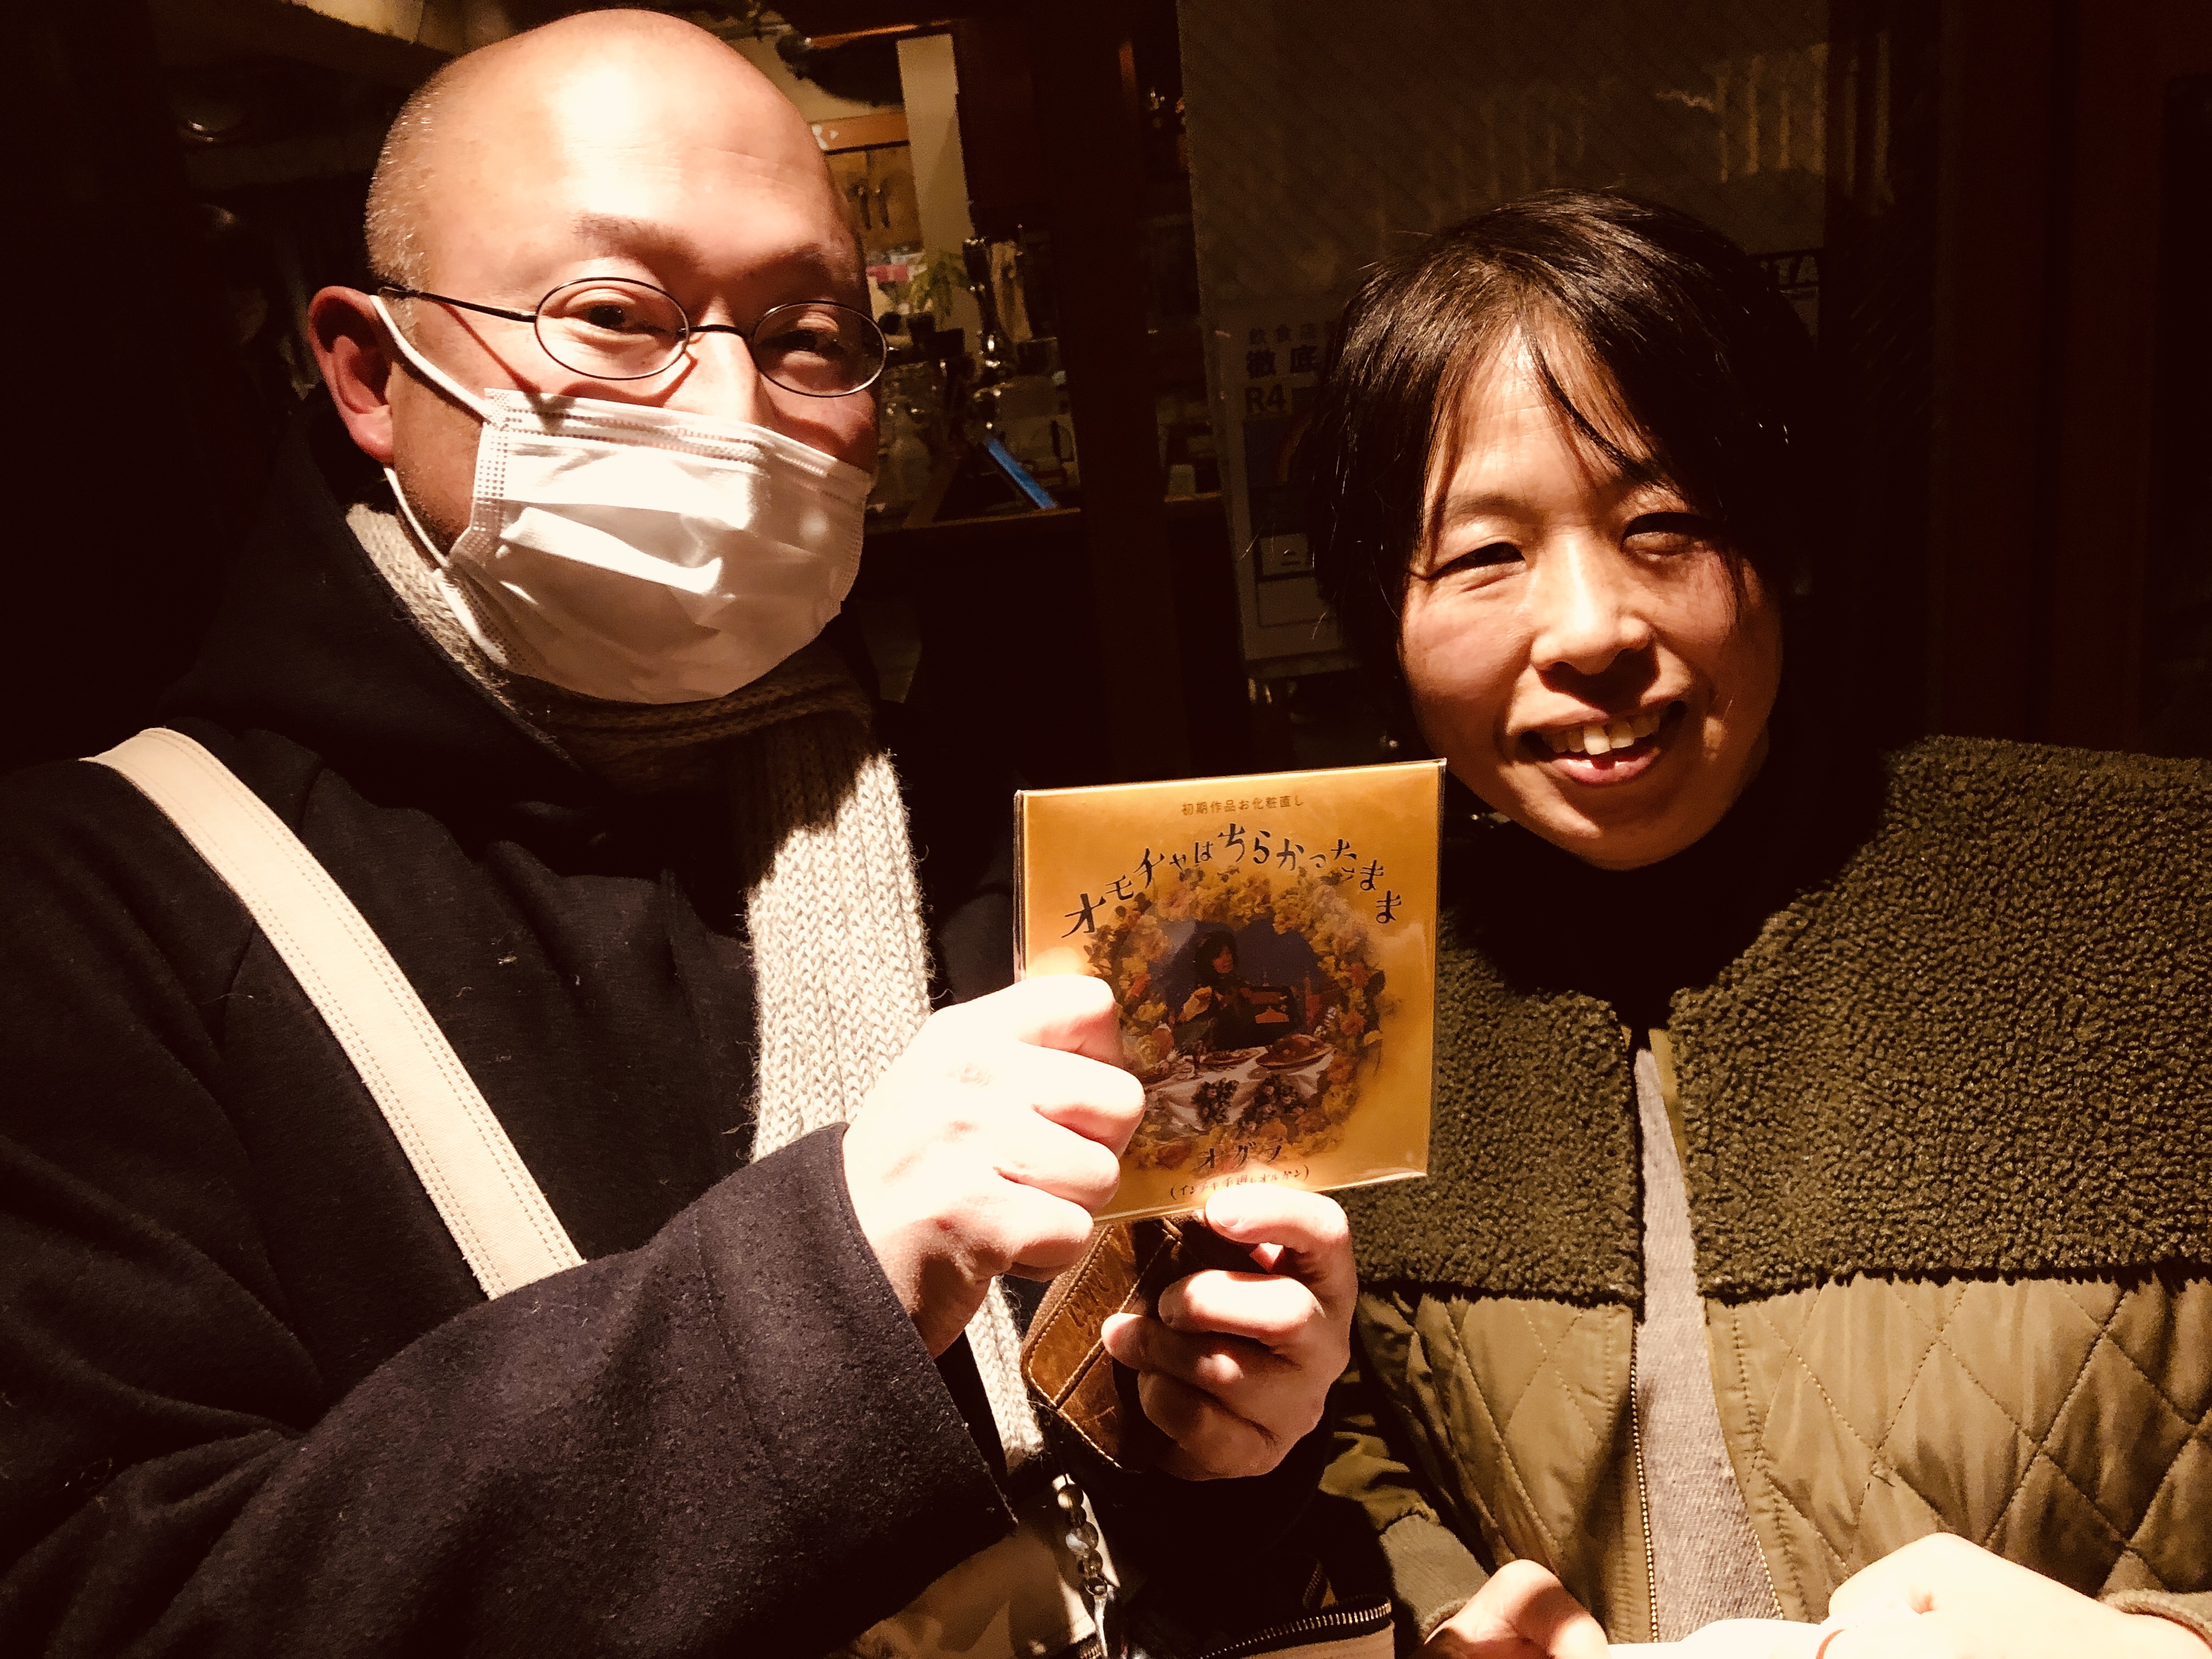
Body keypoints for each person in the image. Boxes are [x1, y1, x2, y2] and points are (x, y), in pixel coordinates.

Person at [0, 14, 1355, 1654]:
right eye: (614, 318)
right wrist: (826, 1283)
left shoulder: (976, 834)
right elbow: (118, 1606)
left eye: (808, 337)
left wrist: (1219, 1461)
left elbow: (1105, 1524)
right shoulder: (91, 908)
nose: (731, 406)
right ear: (368, 371)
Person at [1299, 191, 2212, 1657]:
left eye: (1664, 525)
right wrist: (1440, 1611)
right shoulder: (1347, 991)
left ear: (1786, 544)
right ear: (1382, 626)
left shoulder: (2153, 895)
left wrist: (2170, 1645)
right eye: (1483, 556)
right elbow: (1331, 1444)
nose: (1591, 629)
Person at [1176, 930, 1304, 1053]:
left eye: (1228, 953)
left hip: (1249, 1053)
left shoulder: (1239, 984)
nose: (1227, 959)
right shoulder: (1204, 994)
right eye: (1219, 956)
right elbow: (1181, 1030)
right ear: (1208, 962)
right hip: (1221, 1058)